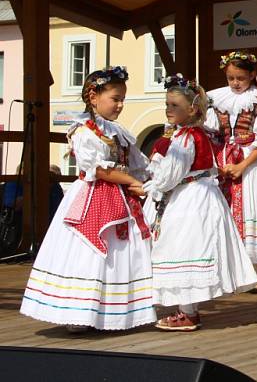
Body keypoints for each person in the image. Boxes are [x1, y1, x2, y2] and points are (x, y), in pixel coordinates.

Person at [20, 66, 156, 332]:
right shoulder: (84, 131)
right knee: (88, 253)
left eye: (122, 99)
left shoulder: (119, 131)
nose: (120, 104)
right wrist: (132, 181)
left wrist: (157, 176)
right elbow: (100, 170)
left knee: (119, 256)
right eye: (115, 98)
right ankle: (79, 312)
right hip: (93, 196)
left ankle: (113, 312)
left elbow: (140, 163)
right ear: (94, 97)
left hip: (120, 198)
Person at [143, 74, 257, 331]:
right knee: (191, 247)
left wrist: (157, 164)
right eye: (167, 104)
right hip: (200, 195)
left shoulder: (184, 138)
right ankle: (188, 310)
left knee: (183, 247)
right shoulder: (194, 134)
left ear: (192, 108)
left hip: (190, 199)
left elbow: (168, 176)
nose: (168, 109)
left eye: (174, 105)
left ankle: (188, 312)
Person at [206, 51, 257, 292]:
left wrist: (242, 165)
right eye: (231, 78)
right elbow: (211, 131)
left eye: (240, 78)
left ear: (252, 75)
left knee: (253, 209)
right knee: (224, 213)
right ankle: (228, 273)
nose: (235, 83)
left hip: (251, 164)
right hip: (223, 162)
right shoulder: (216, 99)